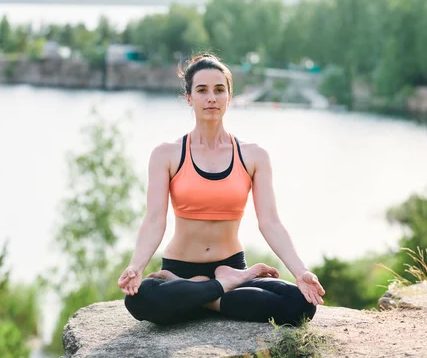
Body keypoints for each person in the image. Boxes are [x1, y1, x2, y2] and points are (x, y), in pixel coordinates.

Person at [117, 53, 325, 326]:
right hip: (180, 269)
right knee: (138, 299)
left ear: (229, 96)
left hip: (232, 265)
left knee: (301, 304)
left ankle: (208, 293)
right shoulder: (167, 154)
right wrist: (137, 266)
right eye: (202, 90)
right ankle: (220, 288)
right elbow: (155, 220)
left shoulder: (253, 156)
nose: (211, 98)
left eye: (219, 90)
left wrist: (300, 271)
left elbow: (270, 222)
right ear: (189, 97)